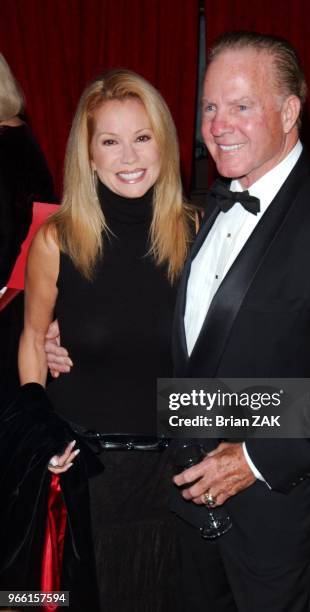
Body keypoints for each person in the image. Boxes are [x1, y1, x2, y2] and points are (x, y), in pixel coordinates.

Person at [45, 32, 310, 611]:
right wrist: (67, 330)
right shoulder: (204, 209)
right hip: (181, 503)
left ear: (290, 112)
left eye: (241, 105)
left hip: (274, 520)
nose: (219, 124)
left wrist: (253, 456)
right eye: (210, 107)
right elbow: (184, 337)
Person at [18, 68, 193, 612]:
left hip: (178, 464)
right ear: (88, 156)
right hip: (86, 466)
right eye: (110, 142)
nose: (129, 157)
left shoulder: (199, 231)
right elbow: (29, 335)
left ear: (164, 144)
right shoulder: (56, 239)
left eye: (143, 138)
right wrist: (38, 427)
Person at [0, 53, 55, 403]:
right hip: (24, 293)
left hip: (10, 300)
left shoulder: (4, 142)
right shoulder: (19, 134)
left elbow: (6, 236)